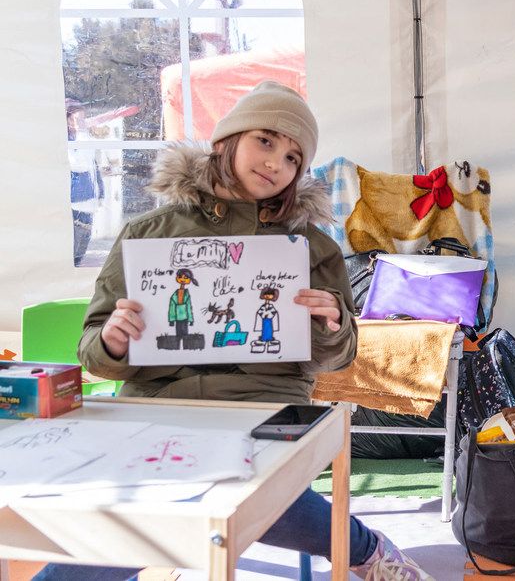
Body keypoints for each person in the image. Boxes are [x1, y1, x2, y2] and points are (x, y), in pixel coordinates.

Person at [35, 81, 435, 581]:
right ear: (226, 140)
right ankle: (358, 546)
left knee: (243, 484)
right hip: (158, 403)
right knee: (143, 507)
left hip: (265, 402)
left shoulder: (311, 247)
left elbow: (337, 358)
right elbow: (93, 352)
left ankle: (361, 548)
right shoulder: (148, 234)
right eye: (265, 140)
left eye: (293, 157)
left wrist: (331, 324)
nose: (275, 163)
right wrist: (113, 341)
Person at [67, 97, 104, 266]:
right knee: (73, 256)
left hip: (88, 203)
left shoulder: (83, 139)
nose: (81, 123)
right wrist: (82, 132)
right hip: (75, 204)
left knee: (80, 252)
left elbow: (92, 168)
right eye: (76, 119)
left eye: (82, 118)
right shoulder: (67, 141)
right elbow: (80, 164)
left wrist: (100, 194)